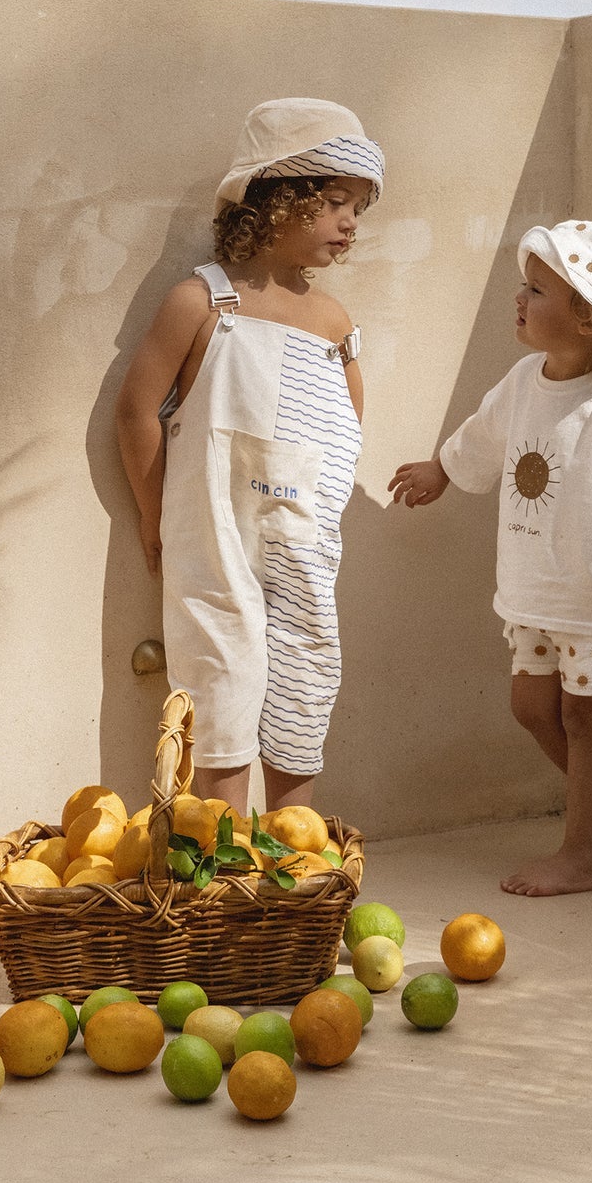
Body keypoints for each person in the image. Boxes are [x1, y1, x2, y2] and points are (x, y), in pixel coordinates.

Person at [389, 220, 592, 896]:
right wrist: (443, 469)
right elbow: (484, 435)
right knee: (531, 708)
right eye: (523, 286)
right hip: (534, 593)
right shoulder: (526, 379)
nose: (519, 299)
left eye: (536, 289)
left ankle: (579, 856)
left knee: (583, 722)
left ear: (590, 317)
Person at [116, 98, 383, 818]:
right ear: (277, 198)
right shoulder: (203, 301)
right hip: (215, 532)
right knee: (220, 675)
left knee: (304, 672)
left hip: (301, 536)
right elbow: (137, 411)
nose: (351, 223)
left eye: (358, 208)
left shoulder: (333, 320)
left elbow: (345, 421)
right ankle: (226, 848)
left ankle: (296, 845)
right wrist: (153, 514)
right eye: (335, 203)